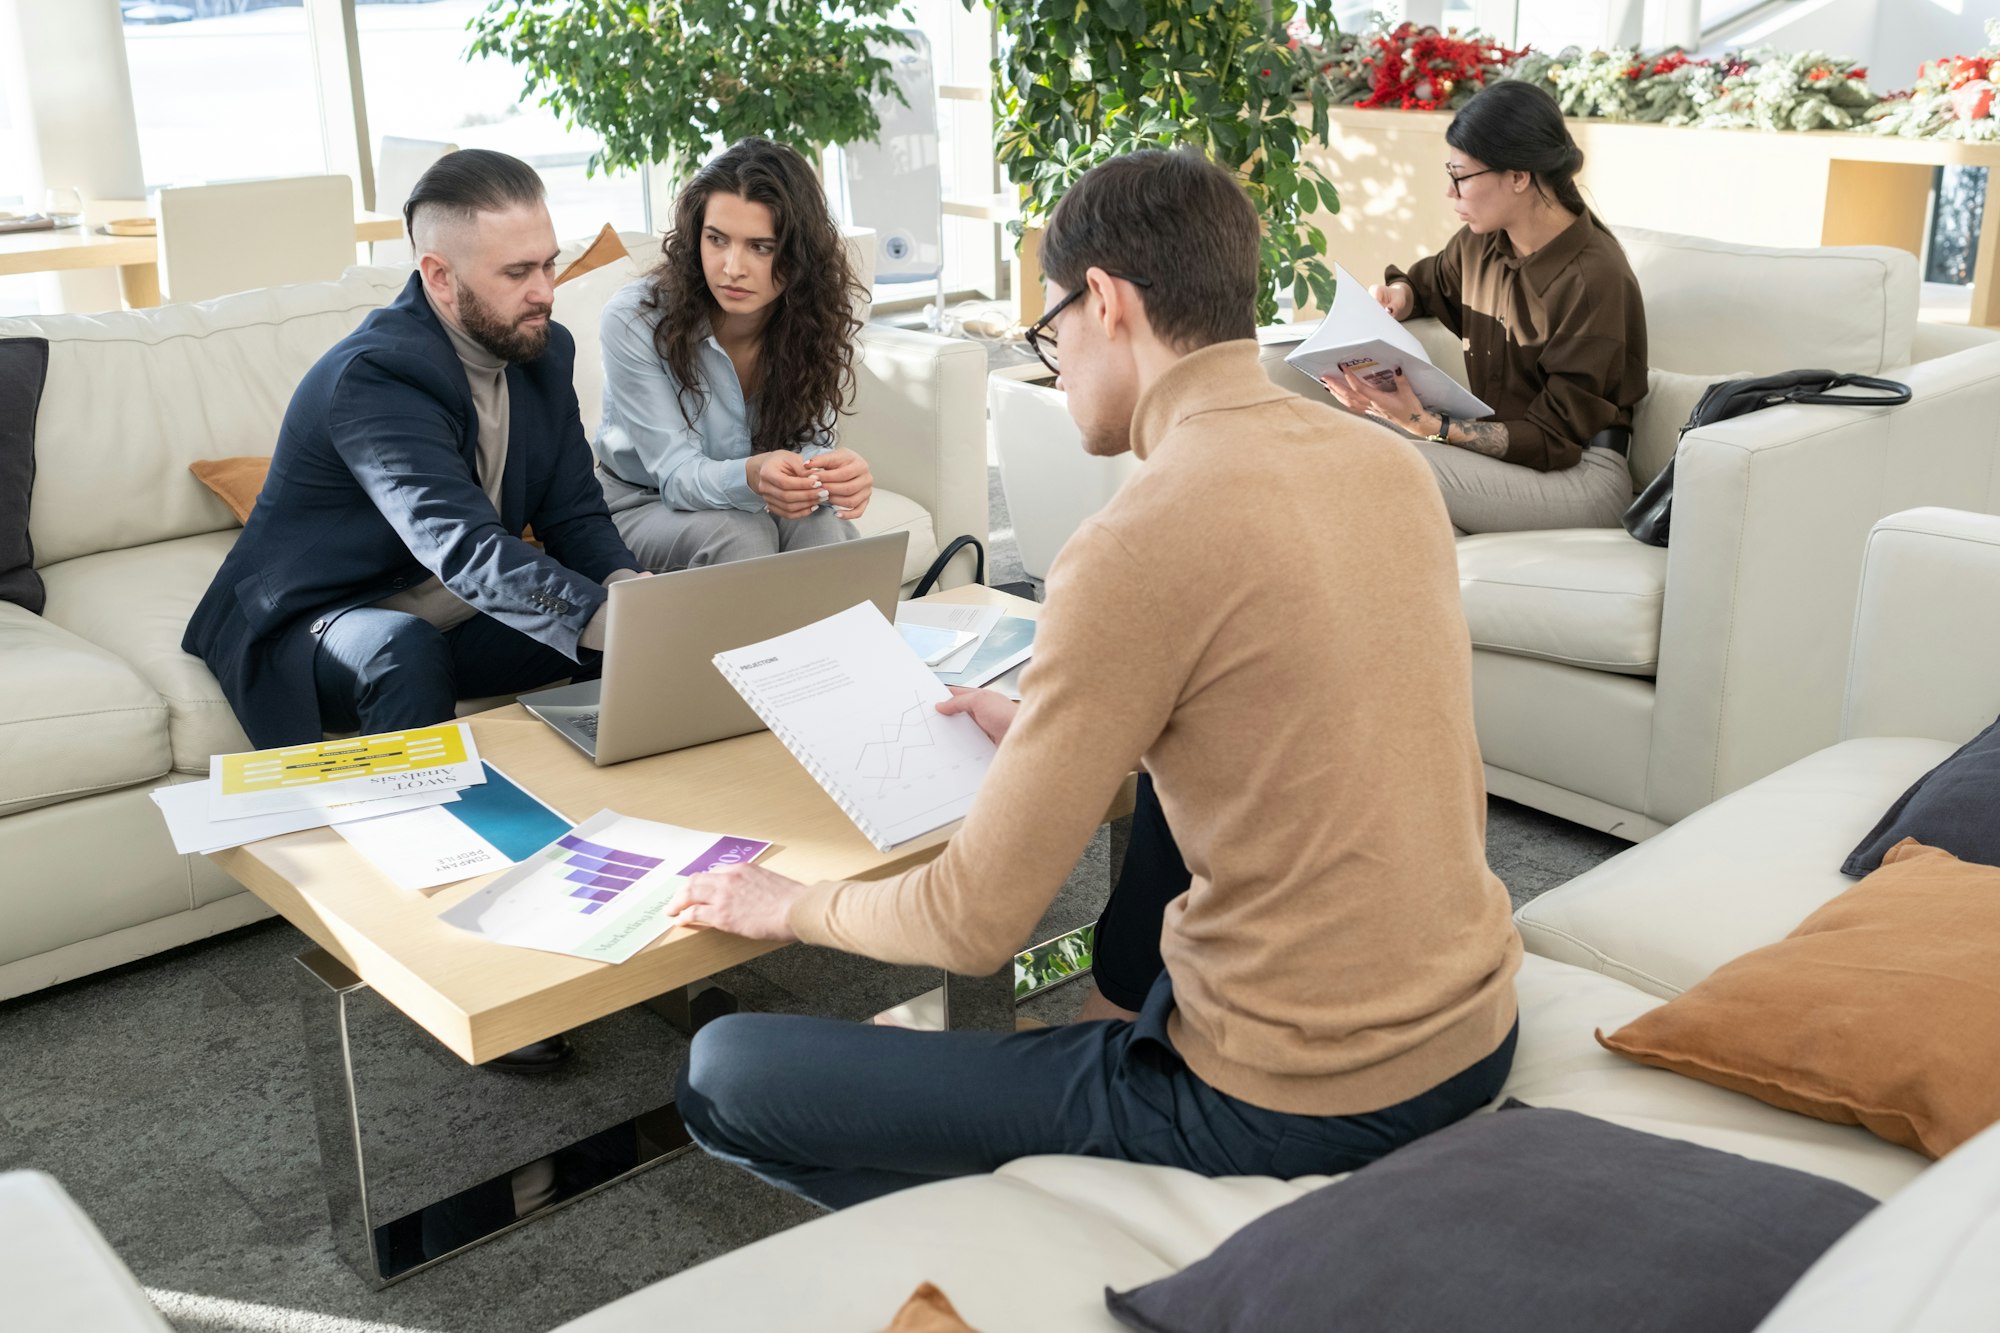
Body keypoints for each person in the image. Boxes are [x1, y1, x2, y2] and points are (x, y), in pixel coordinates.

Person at [662, 149, 1524, 1210]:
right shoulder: (1386, 465)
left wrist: (786, 902)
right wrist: (1044, 723)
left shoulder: (1135, 540)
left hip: (1287, 1095)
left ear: (1105, 303)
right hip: (1475, 1030)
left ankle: (1043, 1231)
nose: (1053, 361)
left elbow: (972, 923)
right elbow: (1287, 708)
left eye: (1049, 330)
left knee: (726, 1074)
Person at [184, 151, 643, 1070]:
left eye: (549, 262)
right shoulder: (373, 376)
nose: (546, 290)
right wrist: (613, 621)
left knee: (614, 645)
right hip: (321, 617)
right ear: (437, 275)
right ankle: (455, 956)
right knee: (400, 652)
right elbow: (465, 551)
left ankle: (631, 887)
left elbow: (573, 513)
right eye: (518, 272)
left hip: (446, 607)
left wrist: (642, 608)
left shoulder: (542, 350)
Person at [1321, 79, 1648, 534]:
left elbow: (1557, 439)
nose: (1450, 193)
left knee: (1395, 462)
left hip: (1581, 475)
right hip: (1508, 464)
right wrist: (1399, 297)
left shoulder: (1594, 280)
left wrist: (1425, 423)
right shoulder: (1482, 245)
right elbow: (1428, 282)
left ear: (1518, 176)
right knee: (1333, 434)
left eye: (1460, 176)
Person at [593, 137, 873, 572]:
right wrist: (752, 476)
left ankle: (851, 641)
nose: (732, 268)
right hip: (640, 504)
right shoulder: (636, 320)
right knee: (740, 532)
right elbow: (675, 475)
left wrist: (833, 476)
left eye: (761, 247)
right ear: (695, 236)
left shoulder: (816, 318)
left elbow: (809, 446)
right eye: (717, 240)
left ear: (798, 254)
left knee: (822, 524)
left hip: (748, 499)